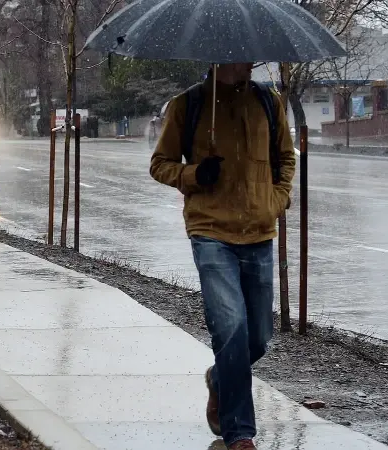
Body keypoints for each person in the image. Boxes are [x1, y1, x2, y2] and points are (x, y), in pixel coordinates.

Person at [149, 63, 296, 450]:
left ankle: (219, 378)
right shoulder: (189, 105)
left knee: (259, 338)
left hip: (259, 233)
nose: (247, 61)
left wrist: (275, 202)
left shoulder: (268, 102)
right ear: (217, 58)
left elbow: (286, 160)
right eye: (238, 54)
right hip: (211, 232)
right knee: (230, 329)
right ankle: (240, 432)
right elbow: (160, 164)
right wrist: (196, 175)